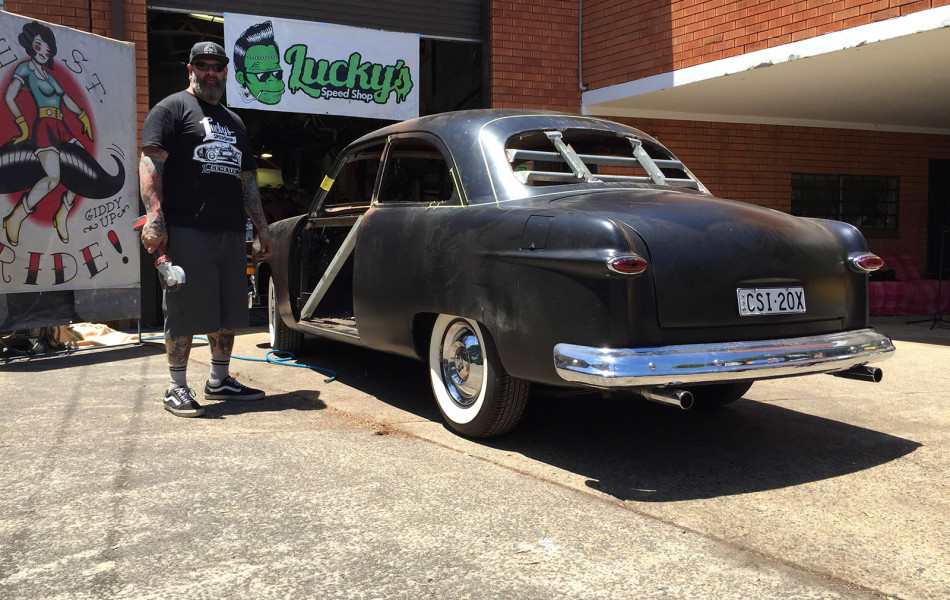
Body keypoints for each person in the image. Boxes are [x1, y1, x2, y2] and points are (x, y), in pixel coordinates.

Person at [139, 41, 274, 417]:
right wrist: (155, 215)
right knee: (184, 307)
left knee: (229, 309)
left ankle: (219, 380)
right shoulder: (171, 109)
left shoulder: (235, 121)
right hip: (186, 227)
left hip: (231, 230)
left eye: (217, 65)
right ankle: (176, 387)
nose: (210, 71)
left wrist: (261, 227)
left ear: (226, 71)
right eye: (203, 65)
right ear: (190, 69)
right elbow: (151, 164)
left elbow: (247, 180)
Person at [3, 20, 94, 245]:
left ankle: (62, 212)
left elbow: (67, 100)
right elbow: (9, 96)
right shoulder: (25, 68)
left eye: (47, 46)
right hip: (44, 127)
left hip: (62, 127)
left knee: (84, 168)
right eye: (38, 45)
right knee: (53, 177)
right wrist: (22, 124)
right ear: (30, 46)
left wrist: (82, 117)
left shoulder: (49, 76)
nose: (44, 51)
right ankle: (16, 217)